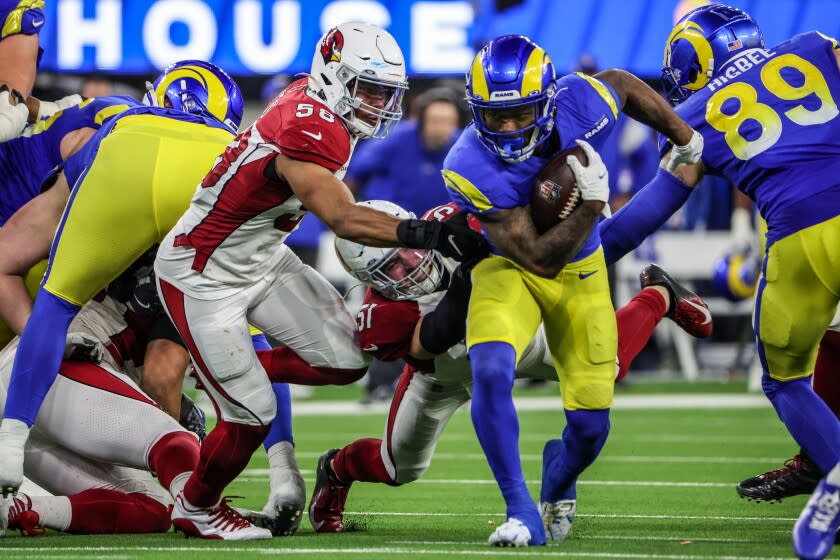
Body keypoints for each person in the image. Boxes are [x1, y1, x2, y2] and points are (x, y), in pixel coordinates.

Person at [152, 22, 488, 541]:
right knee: (251, 415)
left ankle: (231, 373)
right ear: (334, 78)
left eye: (385, 91)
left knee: (347, 357)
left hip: (261, 257)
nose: (379, 103)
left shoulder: (323, 105)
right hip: (203, 272)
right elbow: (344, 219)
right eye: (368, 89)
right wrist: (433, 232)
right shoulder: (314, 125)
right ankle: (196, 506)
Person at [306, 197, 713, 533]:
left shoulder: (452, 221)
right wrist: (465, 279)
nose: (409, 267)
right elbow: (427, 343)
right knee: (398, 466)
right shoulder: (380, 314)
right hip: (443, 375)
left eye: (407, 254)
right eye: (391, 269)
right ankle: (337, 468)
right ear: (369, 280)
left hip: (509, 335)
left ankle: (659, 296)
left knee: (605, 368)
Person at [441, 34, 702, 546]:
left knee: (590, 430)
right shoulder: (467, 164)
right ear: (476, 113)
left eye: (520, 113)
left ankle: (559, 480)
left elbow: (623, 86)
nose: (509, 127)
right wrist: (590, 203)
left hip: (583, 278)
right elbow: (537, 256)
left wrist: (684, 135)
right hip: (512, 269)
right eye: (496, 117)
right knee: (490, 367)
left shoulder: (579, 103)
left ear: (547, 102)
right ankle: (520, 510)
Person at [0, 59, 247, 515]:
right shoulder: (113, 135)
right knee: (166, 472)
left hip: (41, 343)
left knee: (152, 501)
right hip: (47, 327)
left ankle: (21, 499)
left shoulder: (117, 134)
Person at [661, 3, 840, 509]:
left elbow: (654, 206)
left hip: (801, 237)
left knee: (784, 379)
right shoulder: (811, 44)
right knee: (832, 340)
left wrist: (591, 248)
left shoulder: (689, 116)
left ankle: (830, 469)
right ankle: (815, 463)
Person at [0, 293, 201, 538]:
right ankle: (207, 513)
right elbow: (160, 382)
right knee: (177, 446)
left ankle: (18, 508)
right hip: (48, 374)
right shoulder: (185, 292)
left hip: (35, 382)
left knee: (157, 507)